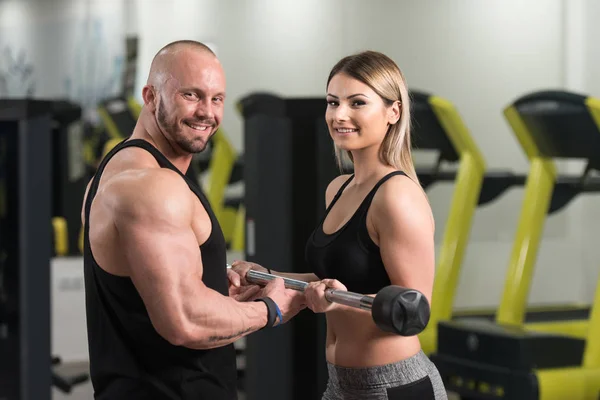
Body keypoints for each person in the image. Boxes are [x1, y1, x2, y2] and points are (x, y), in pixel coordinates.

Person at [80, 40, 306, 400]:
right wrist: (269, 310)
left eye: (217, 99)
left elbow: (145, 292)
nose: (207, 112)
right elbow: (184, 321)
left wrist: (217, 286)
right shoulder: (153, 186)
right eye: (191, 95)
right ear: (150, 96)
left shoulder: (121, 172)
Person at [230, 50, 447, 399]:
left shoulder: (396, 195)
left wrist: (336, 302)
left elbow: (413, 308)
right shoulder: (338, 188)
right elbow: (331, 281)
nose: (339, 115)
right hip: (341, 383)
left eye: (357, 102)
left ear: (394, 112)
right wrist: (267, 276)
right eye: (333, 102)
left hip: (394, 385)